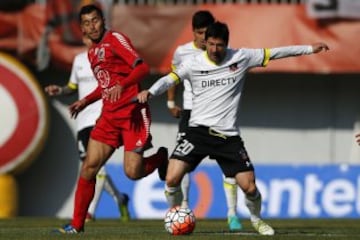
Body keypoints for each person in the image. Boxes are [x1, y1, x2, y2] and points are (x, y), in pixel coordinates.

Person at [138, 21, 329, 235]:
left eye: (219, 45)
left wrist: (309, 48)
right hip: (197, 132)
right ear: (205, 42)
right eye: (210, 44)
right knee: (172, 177)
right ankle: (175, 216)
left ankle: (256, 219)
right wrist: (151, 92)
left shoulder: (241, 57)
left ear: (226, 44)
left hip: (227, 137)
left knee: (250, 187)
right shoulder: (193, 63)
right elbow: (169, 79)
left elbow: (275, 53)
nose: (214, 50)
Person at [53, 4, 168, 234]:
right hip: (109, 116)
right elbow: (105, 86)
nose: (92, 26)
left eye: (95, 20)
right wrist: (85, 101)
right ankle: (77, 226)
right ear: (82, 29)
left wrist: (123, 85)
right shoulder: (92, 52)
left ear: (102, 19)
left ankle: (160, 158)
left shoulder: (115, 39)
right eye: (86, 23)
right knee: (88, 168)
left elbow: (142, 67)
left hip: (133, 114)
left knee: (132, 172)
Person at [167, 10, 242, 231]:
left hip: (218, 115)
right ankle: (184, 207)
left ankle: (232, 214)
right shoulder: (182, 52)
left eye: (206, 33)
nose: (202, 37)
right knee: (182, 166)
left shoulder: (223, 53)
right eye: (199, 33)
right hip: (191, 114)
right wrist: (171, 103)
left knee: (229, 167)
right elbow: (173, 77)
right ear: (193, 32)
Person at [44, 36, 130, 222]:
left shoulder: (109, 57)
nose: (92, 36)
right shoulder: (79, 60)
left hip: (103, 117)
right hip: (83, 122)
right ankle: (120, 198)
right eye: (87, 32)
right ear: (82, 37)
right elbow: (72, 87)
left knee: (98, 169)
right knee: (89, 168)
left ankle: (89, 212)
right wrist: (59, 90)